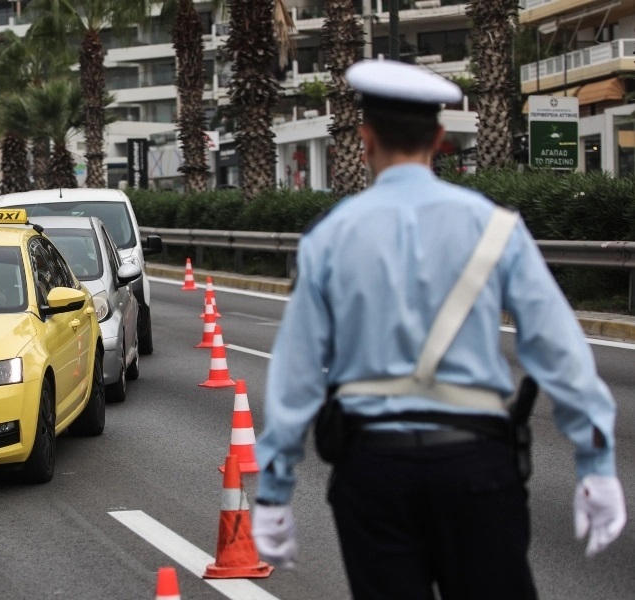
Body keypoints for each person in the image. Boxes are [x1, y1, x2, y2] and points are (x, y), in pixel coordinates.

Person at [251, 59, 626, 599]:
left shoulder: (328, 238)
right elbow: (559, 350)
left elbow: (298, 373)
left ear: (365, 137)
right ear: (440, 137)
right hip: (476, 468)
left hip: (373, 472)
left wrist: (275, 489)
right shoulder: (498, 229)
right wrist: (595, 461)